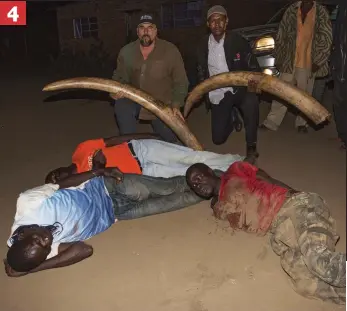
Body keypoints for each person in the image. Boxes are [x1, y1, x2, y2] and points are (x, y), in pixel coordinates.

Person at [185, 162, 346, 305]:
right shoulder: (218, 208)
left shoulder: (235, 170)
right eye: (193, 186)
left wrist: (294, 194)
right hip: (282, 235)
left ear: (210, 171)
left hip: (294, 207)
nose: (197, 185)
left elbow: (267, 178)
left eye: (198, 177)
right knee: (306, 285)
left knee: (320, 262)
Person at [4, 167, 204, 277]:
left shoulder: (27, 203)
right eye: (46, 248)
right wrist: (34, 268)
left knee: (168, 188)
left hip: (106, 188)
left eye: (39, 240)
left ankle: (219, 178)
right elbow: (84, 250)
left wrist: (98, 172)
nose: (47, 239)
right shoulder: (37, 252)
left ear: (22, 234)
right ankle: (215, 192)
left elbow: (59, 184)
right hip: (117, 213)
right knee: (174, 203)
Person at [196, 5, 261, 162]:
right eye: (213, 20)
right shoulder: (202, 45)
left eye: (221, 20)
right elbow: (200, 71)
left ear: (227, 23)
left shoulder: (238, 41)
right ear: (208, 24)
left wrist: (253, 90)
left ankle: (251, 146)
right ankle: (233, 118)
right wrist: (201, 91)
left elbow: (254, 67)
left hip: (240, 89)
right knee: (218, 139)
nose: (217, 24)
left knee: (251, 103)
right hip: (218, 92)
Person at [111, 12, 188, 143]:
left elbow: (181, 81)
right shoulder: (126, 52)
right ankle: (129, 144)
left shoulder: (170, 50)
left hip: (162, 105)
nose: (146, 31)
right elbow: (119, 77)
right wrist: (114, 91)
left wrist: (176, 104)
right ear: (137, 31)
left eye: (150, 27)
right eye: (142, 27)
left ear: (156, 30)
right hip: (135, 101)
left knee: (170, 141)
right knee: (122, 105)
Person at [44, 133, 244, 183]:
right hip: (145, 172)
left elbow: (112, 141)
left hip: (139, 150)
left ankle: (239, 160)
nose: (56, 177)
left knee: (191, 157)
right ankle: (235, 174)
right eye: (55, 181)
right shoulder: (81, 183)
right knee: (187, 173)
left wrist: (144, 135)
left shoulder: (80, 151)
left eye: (52, 175)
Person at [261, 0, 333, 133]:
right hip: (289, 60)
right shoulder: (292, 10)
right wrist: (279, 57)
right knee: (282, 92)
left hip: (308, 62)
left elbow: (326, 38)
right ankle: (272, 121)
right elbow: (282, 34)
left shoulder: (321, 12)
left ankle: (302, 123)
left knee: (305, 95)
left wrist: (318, 61)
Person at [330, 1, 347, 149]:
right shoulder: (342, 7)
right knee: (339, 103)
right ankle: (343, 136)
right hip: (341, 67)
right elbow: (337, 40)